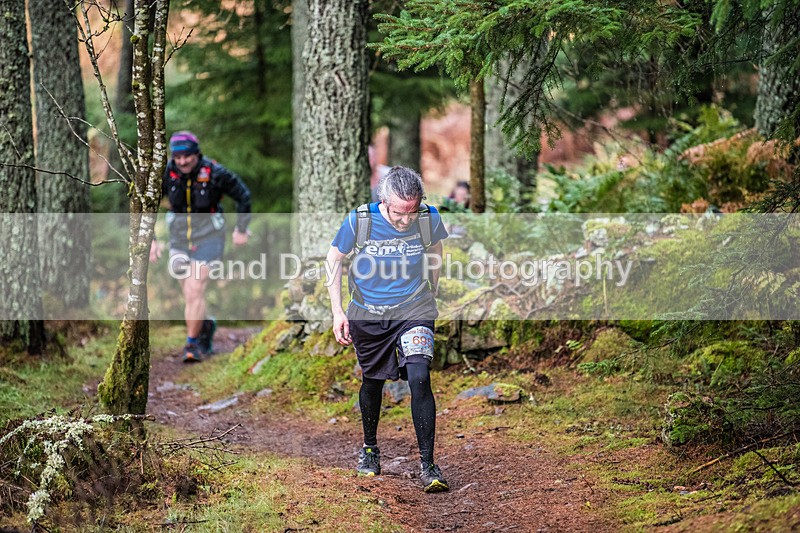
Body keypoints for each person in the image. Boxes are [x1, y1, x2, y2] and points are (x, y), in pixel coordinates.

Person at [325, 166, 450, 493]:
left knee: (420, 375)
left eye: (412, 212)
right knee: (373, 379)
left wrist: (433, 287)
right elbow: (333, 259)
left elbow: (435, 250)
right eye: (398, 213)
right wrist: (338, 312)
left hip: (415, 306)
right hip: (368, 311)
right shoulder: (360, 220)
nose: (406, 220)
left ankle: (428, 464)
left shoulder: (427, 217)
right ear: (384, 201)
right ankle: (369, 449)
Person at [150, 131, 251, 363]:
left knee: (195, 289)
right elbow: (148, 204)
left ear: (197, 154)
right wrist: (152, 239)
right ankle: (205, 326)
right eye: (178, 157)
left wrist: (241, 229)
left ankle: (192, 344)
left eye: (188, 156)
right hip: (178, 240)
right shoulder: (167, 174)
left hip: (210, 238)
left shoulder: (215, 173)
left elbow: (243, 195)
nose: (183, 161)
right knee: (189, 292)